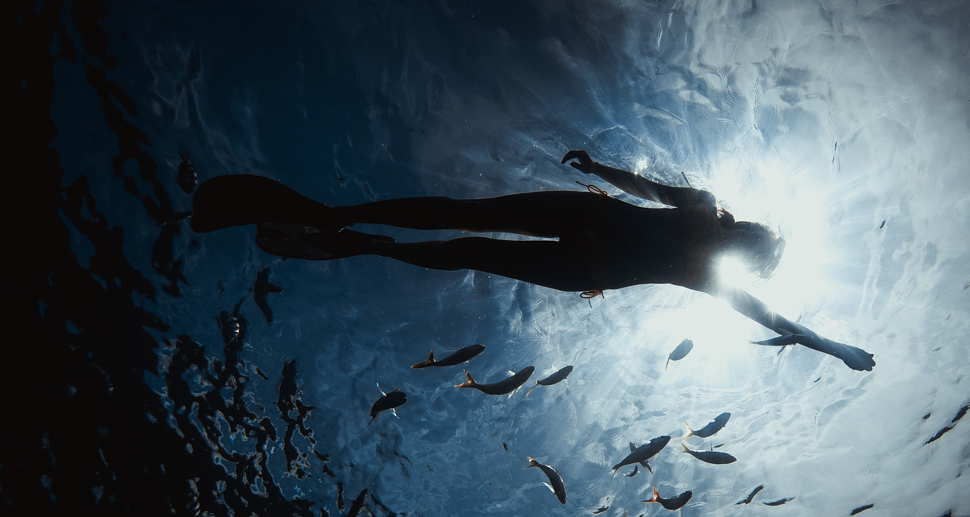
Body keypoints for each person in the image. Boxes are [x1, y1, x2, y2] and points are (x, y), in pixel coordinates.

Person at [190, 150, 875, 371]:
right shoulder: (704, 212)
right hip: (589, 230)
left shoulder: (713, 271)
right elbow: (650, 189)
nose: (748, 249)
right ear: (748, 235)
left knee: (469, 242)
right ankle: (345, 224)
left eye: (756, 250)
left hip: (588, 257)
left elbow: (776, 317)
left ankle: (363, 236)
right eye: (754, 245)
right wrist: (599, 166)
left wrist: (836, 346)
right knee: (469, 222)